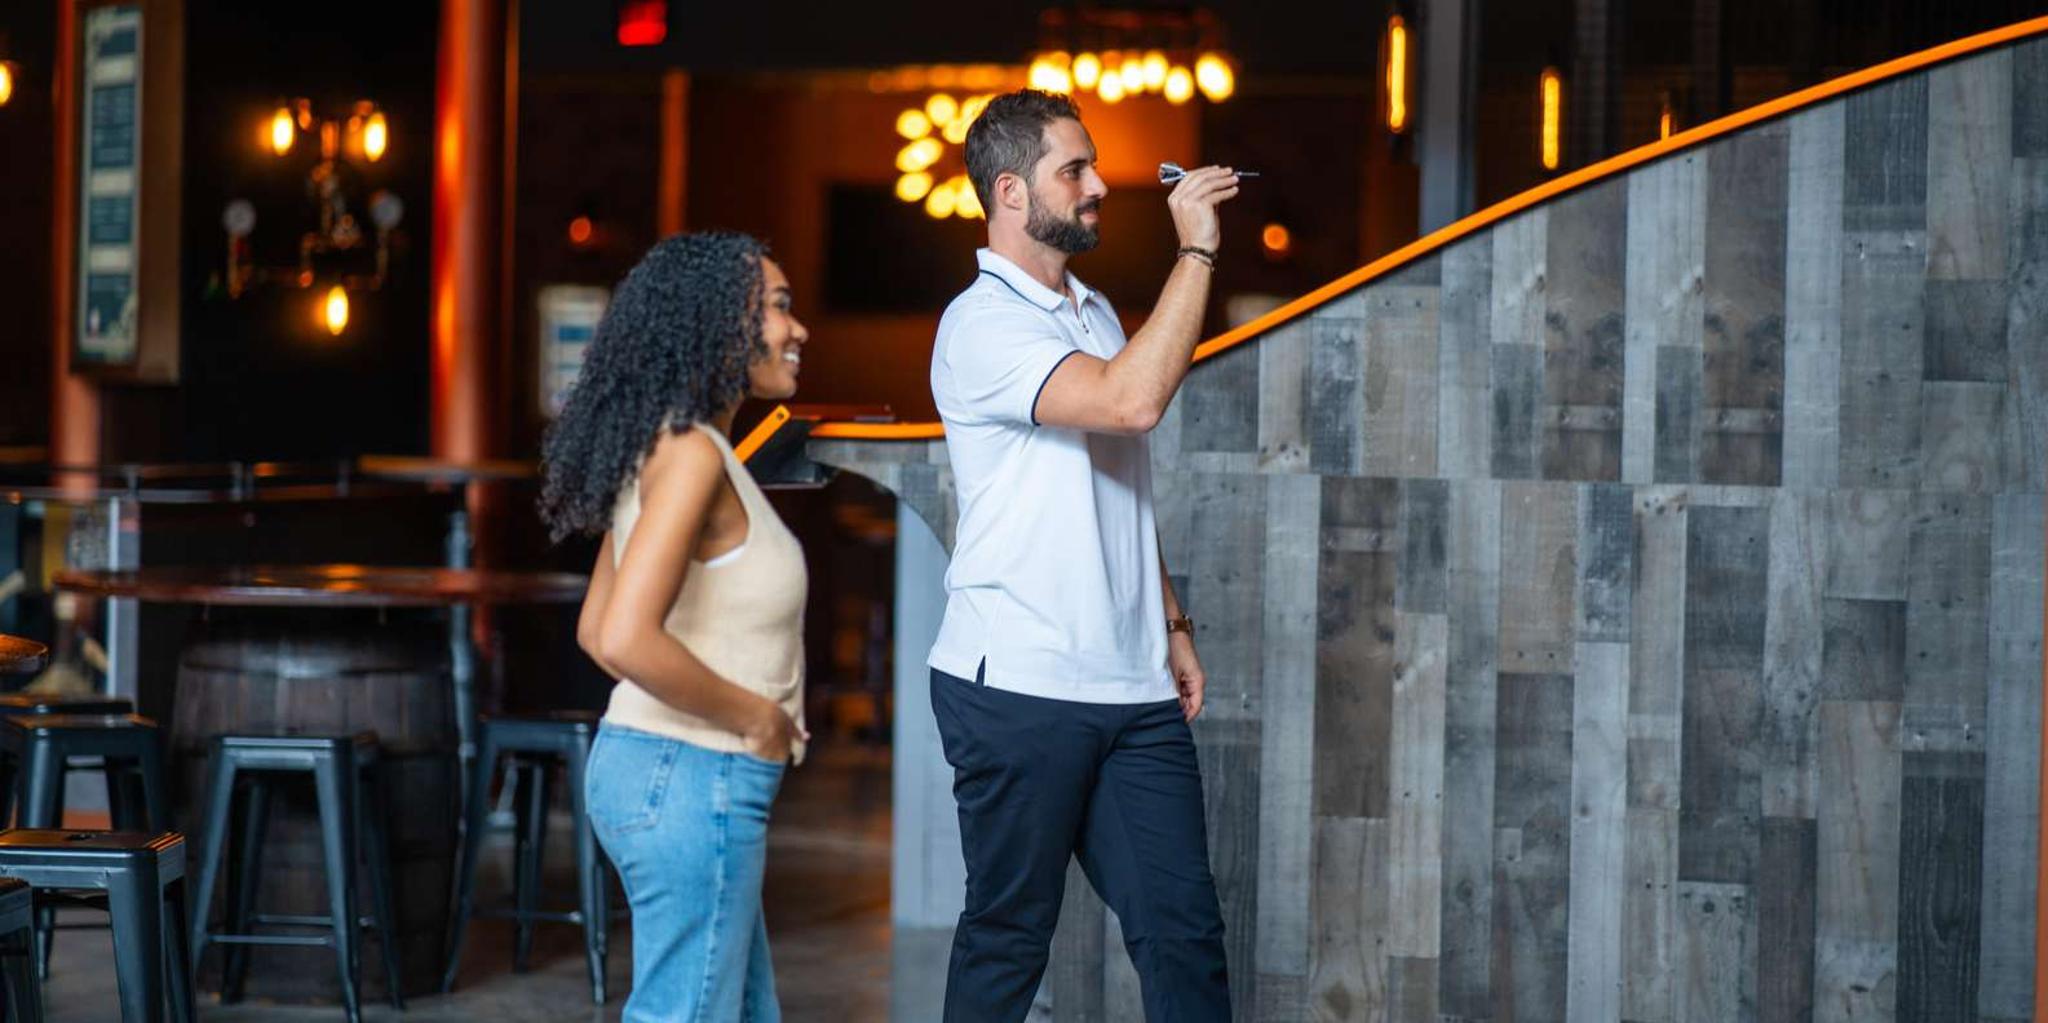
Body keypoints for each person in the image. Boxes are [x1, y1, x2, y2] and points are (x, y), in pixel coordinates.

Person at [927, 88, 1241, 1021]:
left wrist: (1172, 620)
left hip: (1133, 686)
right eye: (1076, 170)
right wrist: (1197, 249)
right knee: (1010, 935)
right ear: (1013, 193)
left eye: (1094, 165)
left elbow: (1121, 490)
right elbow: (1130, 403)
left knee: (1184, 931)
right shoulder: (980, 323)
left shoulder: (1097, 311)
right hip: (1015, 682)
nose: (1102, 184)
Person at [540, 231, 811, 1023]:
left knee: (745, 1010)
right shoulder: (691, 455)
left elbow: (595, 628)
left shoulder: (674, 446)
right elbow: (622, 638)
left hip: (655, 767)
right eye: (780, 307)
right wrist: (761, 718)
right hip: (696, 773)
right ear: (717, 322)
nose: (798, 330)